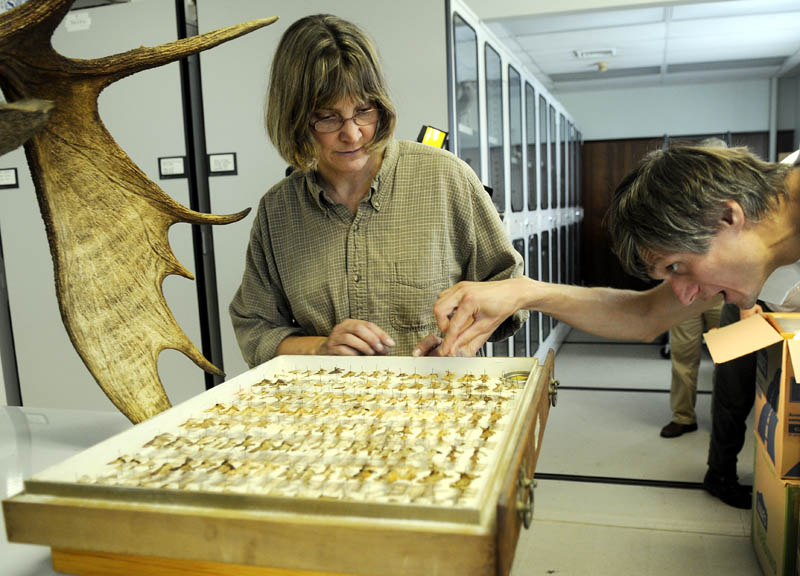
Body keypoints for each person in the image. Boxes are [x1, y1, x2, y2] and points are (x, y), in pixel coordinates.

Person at [433, 145, 800, 508]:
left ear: (727, 216)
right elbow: (646, 315)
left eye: (677, 267)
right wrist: (524, 292)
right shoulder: (753, 240)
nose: (684, 297)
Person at [229, 14, 525, 367]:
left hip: (437, 395)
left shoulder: (446, 178)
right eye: (327, 117)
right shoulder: (278, 210)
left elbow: (509, 288)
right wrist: (320, 348)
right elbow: (255, 327)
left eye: (363, 111)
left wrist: (460, 342)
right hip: (326, 400)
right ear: (293, 119)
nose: (352, 134)